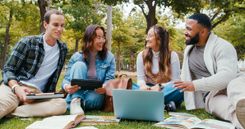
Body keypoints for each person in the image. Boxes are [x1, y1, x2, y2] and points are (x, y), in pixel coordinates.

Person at [174, 13, 245, 129]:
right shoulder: (189, 50)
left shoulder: (223, 46)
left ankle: (243, 103)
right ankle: (241, 120)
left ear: (203, 32)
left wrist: (195, 85)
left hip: (234, 82)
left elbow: (227, 76)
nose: (185, 32)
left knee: (235, 86)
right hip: (211, 95)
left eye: (189, 29)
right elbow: (183, 78)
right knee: (226, 110)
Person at [0, 9, 67, 118]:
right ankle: (14, 107)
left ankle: (12, 112)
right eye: (55, 25)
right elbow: (8, 69)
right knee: (3, 104)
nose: (59, 29)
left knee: (61, 105)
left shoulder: (63, 49)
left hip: (37, 94)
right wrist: (17, 88)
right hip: (16, 86)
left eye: (62, 25)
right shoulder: (28, 42)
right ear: (45, 24)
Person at [62, 24, 115, 115]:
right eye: (98, 37)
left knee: (95, 98)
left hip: (94, 93)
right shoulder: (76, 56)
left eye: (103, 37)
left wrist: (105, 88)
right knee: (79, 65)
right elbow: (66, 79)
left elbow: (109, 79)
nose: (102, 40)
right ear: (89, 39)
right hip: (77, 91)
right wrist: (67, 87)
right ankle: (76, 101)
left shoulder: (109, 57)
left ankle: (71, 102)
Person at [136, 25, 183, 111]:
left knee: (180, 88)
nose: (147, 39)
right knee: (130, 86)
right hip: (148, 89)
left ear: (159, 39)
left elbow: (176, 81)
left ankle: (144, 102)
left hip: (165, 89)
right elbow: (140, 79)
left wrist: (160, 86)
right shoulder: (141, 55)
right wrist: (143, 86)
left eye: (150, 36)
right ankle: (165, 104)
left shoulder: (172, 55)